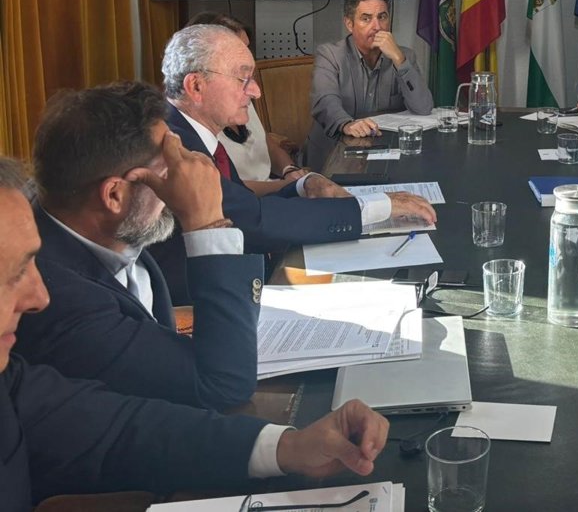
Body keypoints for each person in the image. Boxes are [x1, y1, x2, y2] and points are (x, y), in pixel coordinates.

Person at [0, 157, 390, 510]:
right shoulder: (67, 297)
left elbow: (119, 431)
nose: (38, 297)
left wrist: (290, 446)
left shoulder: (10, 384)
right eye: (14, 274)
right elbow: (220, 384)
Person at [17, 82, 261, 409]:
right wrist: (208, 223)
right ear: (114, 195)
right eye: (168, 169)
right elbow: (222, 386)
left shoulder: (94, 219)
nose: (185, 177)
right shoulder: (59, 299)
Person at [161, 24, 436, 256]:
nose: (256, 91)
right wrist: (376, 207)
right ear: (196, 86)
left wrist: (305, 186)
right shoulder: (175, 148)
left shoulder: (194, 133)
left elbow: (244, 202)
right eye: (243, 78)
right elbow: (250, 221)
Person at [306, 0, 434, 168]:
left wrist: (399, 60)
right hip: (333, 154)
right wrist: (347, 124)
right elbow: (325, 101)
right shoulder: (330, 55)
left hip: (386, 155)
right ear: (349, 24)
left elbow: (423, 108)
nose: (377, 26)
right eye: (366, 19)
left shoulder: (404, 56)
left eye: (382, 17)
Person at [187, 11, 304, 188]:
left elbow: (264, 142)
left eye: (247, 48)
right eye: (238, 50)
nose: (256, 93)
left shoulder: (240, 91)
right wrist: (294, 187)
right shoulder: (191, 124)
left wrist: (289, 170)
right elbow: (226, 191)